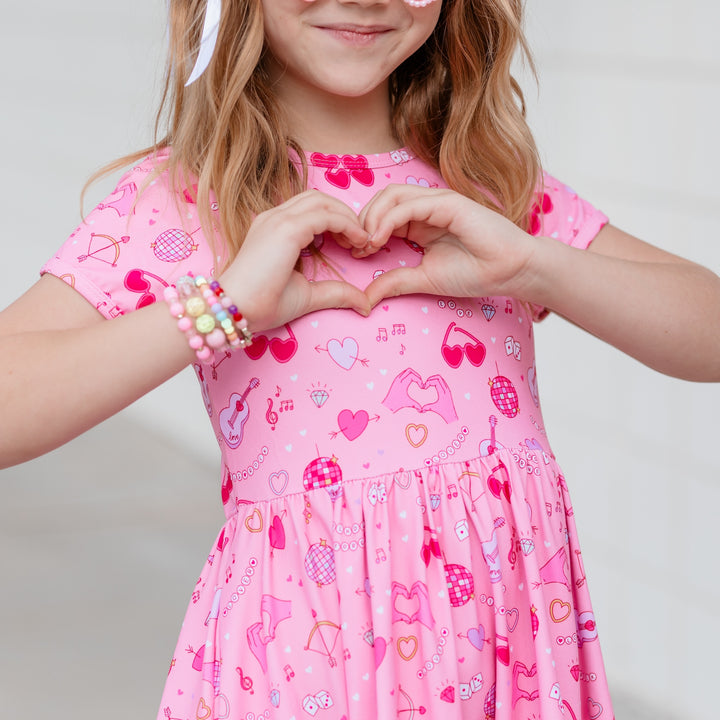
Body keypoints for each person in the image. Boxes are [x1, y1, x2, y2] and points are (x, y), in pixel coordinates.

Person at [1, 0, 719, 718]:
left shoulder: (487, 185)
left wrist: (537, 267)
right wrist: (224, 308)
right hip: (307, 664)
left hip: (505, 662)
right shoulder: (187, 201)